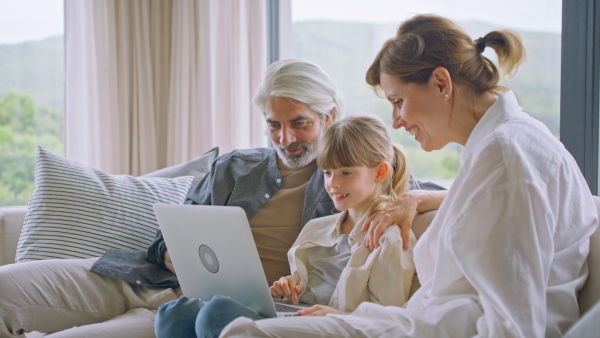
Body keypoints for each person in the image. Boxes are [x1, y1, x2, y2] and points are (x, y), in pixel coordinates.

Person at [0, 59, 444, 337]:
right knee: (6, 286)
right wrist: (171, 252)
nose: (285, 138)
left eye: (299, 123)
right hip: (148, 279)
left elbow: (458, 193)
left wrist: (414, 202)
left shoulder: (354, 176)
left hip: (227, 312)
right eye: (274, 124)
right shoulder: (235, 167)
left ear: (329, 116)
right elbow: (166, 233)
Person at [219, 14, 599, 338]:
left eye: (398, 101)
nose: (397, 121)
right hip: (422, 323)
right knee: (241, 328)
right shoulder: (500, 148)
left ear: (441, 83)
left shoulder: (508, 155)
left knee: (243, 333)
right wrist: (421, 198)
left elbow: (514, 324)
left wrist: (359, 324)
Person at [154, 115, 418, 338]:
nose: (333, 184)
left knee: (217, 313)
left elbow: (390, 321)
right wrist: (292, 284)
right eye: (327, 172)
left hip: (333, 327)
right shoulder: (317, 229)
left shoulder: (390, 239)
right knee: (176, 312)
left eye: (345, 173)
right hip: (295, 314)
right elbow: (308, 284)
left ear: (380, 173)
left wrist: (339, 317)